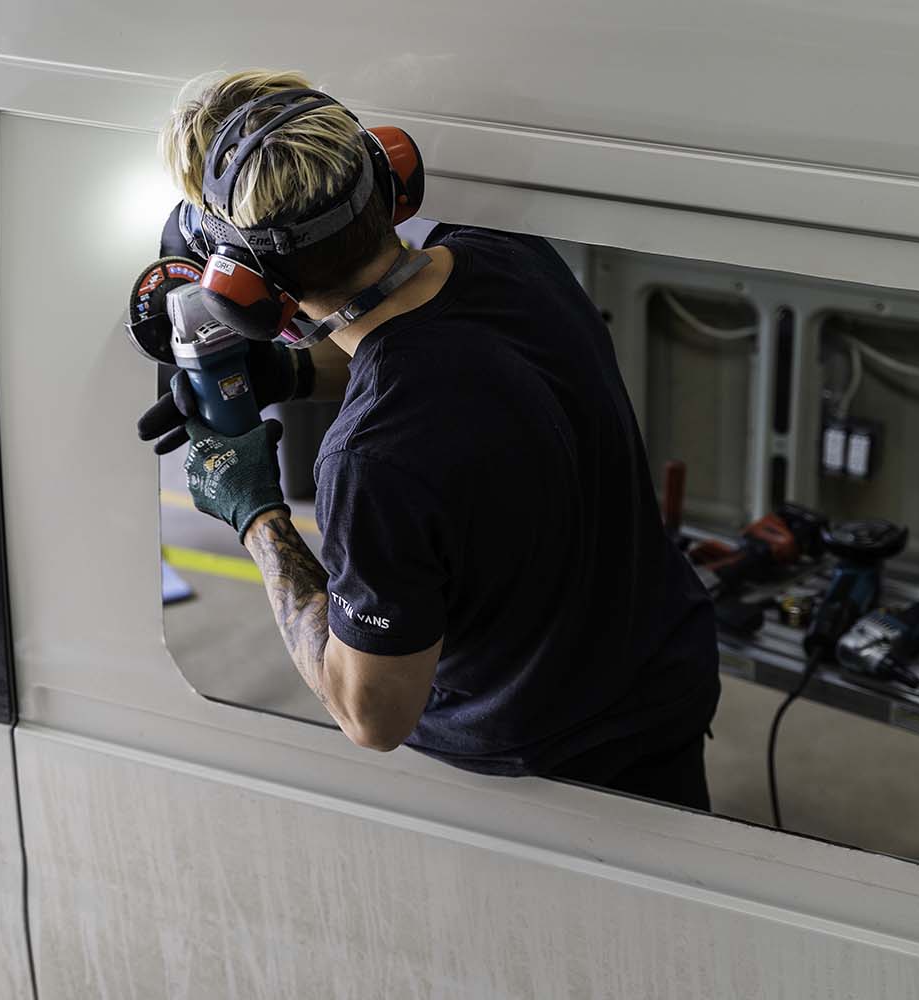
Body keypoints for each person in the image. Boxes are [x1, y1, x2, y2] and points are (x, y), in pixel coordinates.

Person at [139, 69, 719, 811]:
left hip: (552, 769)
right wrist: (283, 370)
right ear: (388, 177)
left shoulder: (369, 463)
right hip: (660, 678)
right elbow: (418, 363)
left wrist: (255, 513)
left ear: (245, 287)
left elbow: (371, 713)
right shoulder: (509, 258)